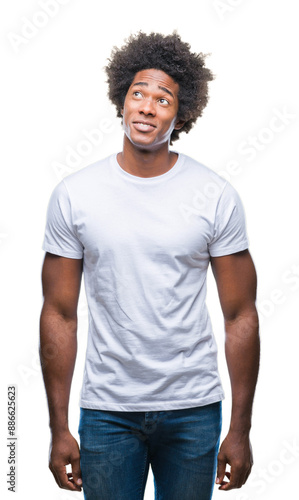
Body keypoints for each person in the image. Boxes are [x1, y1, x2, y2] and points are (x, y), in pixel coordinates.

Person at [39, 31, 260, 500]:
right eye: (138, 92)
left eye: (163, 98)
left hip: (194, 408)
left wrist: (240, 427)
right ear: (121, 100)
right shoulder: (75, 194)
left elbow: (240, 314)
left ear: (180, 115)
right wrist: (58, 426)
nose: (146, 106)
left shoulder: (214, 195)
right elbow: (59, 313)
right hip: (107, 410)